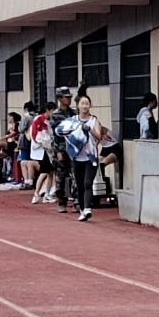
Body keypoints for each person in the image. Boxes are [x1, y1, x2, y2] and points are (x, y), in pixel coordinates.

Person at [65, 94, 103, 222]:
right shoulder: (73, 120)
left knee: (87, 183)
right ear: (78, 105)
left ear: (90, 106)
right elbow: (64, 133)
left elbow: (99, 137)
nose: (85, 106)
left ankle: (87, 209)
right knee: (80, 185)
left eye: (87, 104)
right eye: (82, 103)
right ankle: (82, 209)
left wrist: (90, 130)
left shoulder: (94, 120)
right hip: (77, 157)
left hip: (91, 157)